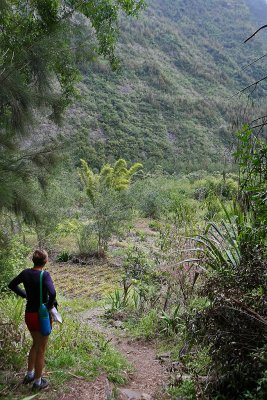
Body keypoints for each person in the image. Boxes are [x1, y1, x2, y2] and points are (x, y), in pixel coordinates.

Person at [8, 249, 56, 391]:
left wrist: (25, 295)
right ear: (45, 261)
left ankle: (30, 374)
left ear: (33, 260)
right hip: (41, 316)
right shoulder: (44, 275)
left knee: (35, 344)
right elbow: (52, 292)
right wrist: (49, 305)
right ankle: (37, 383)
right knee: (41, 348)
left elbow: (11, 285)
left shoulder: (25, 273)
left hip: (29, 315)